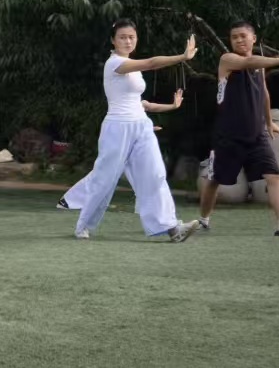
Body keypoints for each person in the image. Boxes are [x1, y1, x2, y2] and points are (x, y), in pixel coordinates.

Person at [72, 20, 200, 242]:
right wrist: (182, 57)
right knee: (105, 179)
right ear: (113, 41)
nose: (128, 41)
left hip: (141, 126)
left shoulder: (133, 69)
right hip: (117, 128)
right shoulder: (114, 63)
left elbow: (140, 102)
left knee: (155, 174)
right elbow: (151, 63)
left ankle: (172, 228)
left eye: (131, 37)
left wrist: (155, 117)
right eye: (122, 37)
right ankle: (83, 225)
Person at [198, 21, 279, 237]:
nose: (239, 40)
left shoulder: (259, 66)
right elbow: (248, 61)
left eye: (243, 36)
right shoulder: (227, 60)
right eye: (234, 37)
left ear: (253, 38)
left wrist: (268, 122)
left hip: (256, 135)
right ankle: (203, 220)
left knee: (274, 176)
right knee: (214, 180)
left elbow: (264, 93)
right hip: (228, 136)